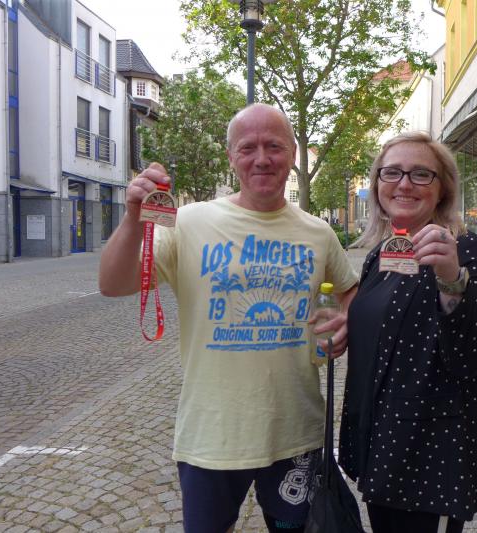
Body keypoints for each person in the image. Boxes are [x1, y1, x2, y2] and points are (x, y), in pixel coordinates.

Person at [99, 103, 359, 533]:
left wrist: (346, 321)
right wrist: (132, 218)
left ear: (293, 154)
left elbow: (351, 292)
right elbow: (113, 283)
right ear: (231, 157)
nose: (262, 159)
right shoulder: (188, 222)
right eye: (248, 148)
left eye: (274, 146)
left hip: (296, 431)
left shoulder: (318, 232)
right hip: (212, 435)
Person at [338, 132, 477, 533]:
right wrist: (344, 330)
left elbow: (473, 357)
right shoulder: (382, 252)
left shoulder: (467, 250)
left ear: (443, 188)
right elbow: (387, 327)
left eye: (421, 174)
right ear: (377, 184)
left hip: (430, 451)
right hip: (381, 440)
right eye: (391, 172)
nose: (404, 184)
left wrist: (451, 278)